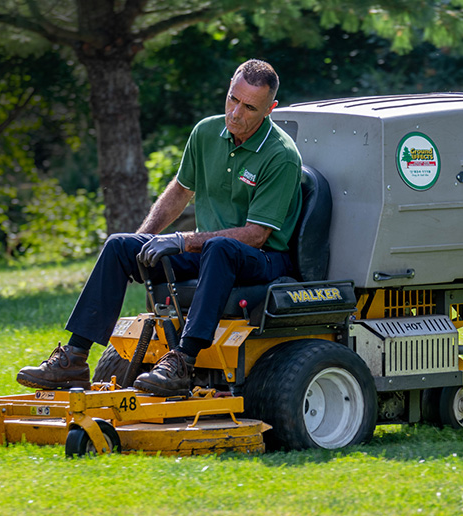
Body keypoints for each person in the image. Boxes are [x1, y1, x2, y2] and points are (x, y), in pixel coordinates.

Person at [17, 59, 302, 397]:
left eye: (249, 107)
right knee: (120, 244)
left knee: (220, 248)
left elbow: (257, 235)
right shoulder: (206, 132)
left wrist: (182, 239)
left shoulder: (280, 155)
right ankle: (75, 359)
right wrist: (145, 241)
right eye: (232, 99)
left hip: (264, 259)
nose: (236, 113)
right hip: (210, 252)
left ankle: (182, 361)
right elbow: (180, 191)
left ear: (270, 109)